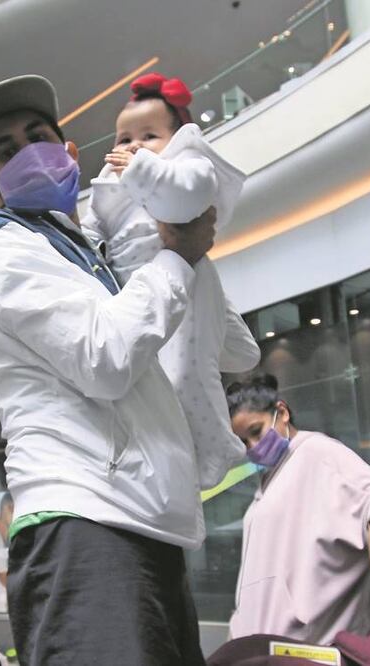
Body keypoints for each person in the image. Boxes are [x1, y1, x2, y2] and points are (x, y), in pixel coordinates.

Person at [0, 74, 221, 665]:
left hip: (136, 517)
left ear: (71, 153)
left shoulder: (85, 246)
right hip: (82, 519)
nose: (29, 152)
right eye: (6, 150)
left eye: (39, 136)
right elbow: (104, 357)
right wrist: (177, 257)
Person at [83, 72, 258, 489]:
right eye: (125, 138)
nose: (134, 146)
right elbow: (93, 227)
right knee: (175, 365)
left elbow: (187, 199)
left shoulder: (189, 165)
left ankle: (217, 446)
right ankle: (231, 347)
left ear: (178, 137)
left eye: (149, 136)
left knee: (186, 372)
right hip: (144, 283)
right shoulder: (109, 182)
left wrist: (142, 170)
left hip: (188, 275)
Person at [226, 374, 370, 645]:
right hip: (262, 643)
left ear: (281, 412)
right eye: (243, 442)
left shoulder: (317, 452)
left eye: (256, 431)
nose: (253, 447)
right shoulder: (272, 476)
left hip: (306, 643)